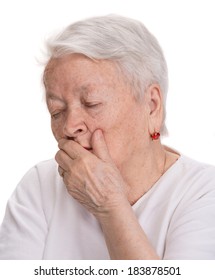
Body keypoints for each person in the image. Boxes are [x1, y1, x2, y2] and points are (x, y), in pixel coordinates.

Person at [0, 14, 215, 260]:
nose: (70, 126)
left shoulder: (205, 192)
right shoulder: (39, 185)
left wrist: (110, 205)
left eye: (91, 103)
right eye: (57, 111)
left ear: (152, 106)